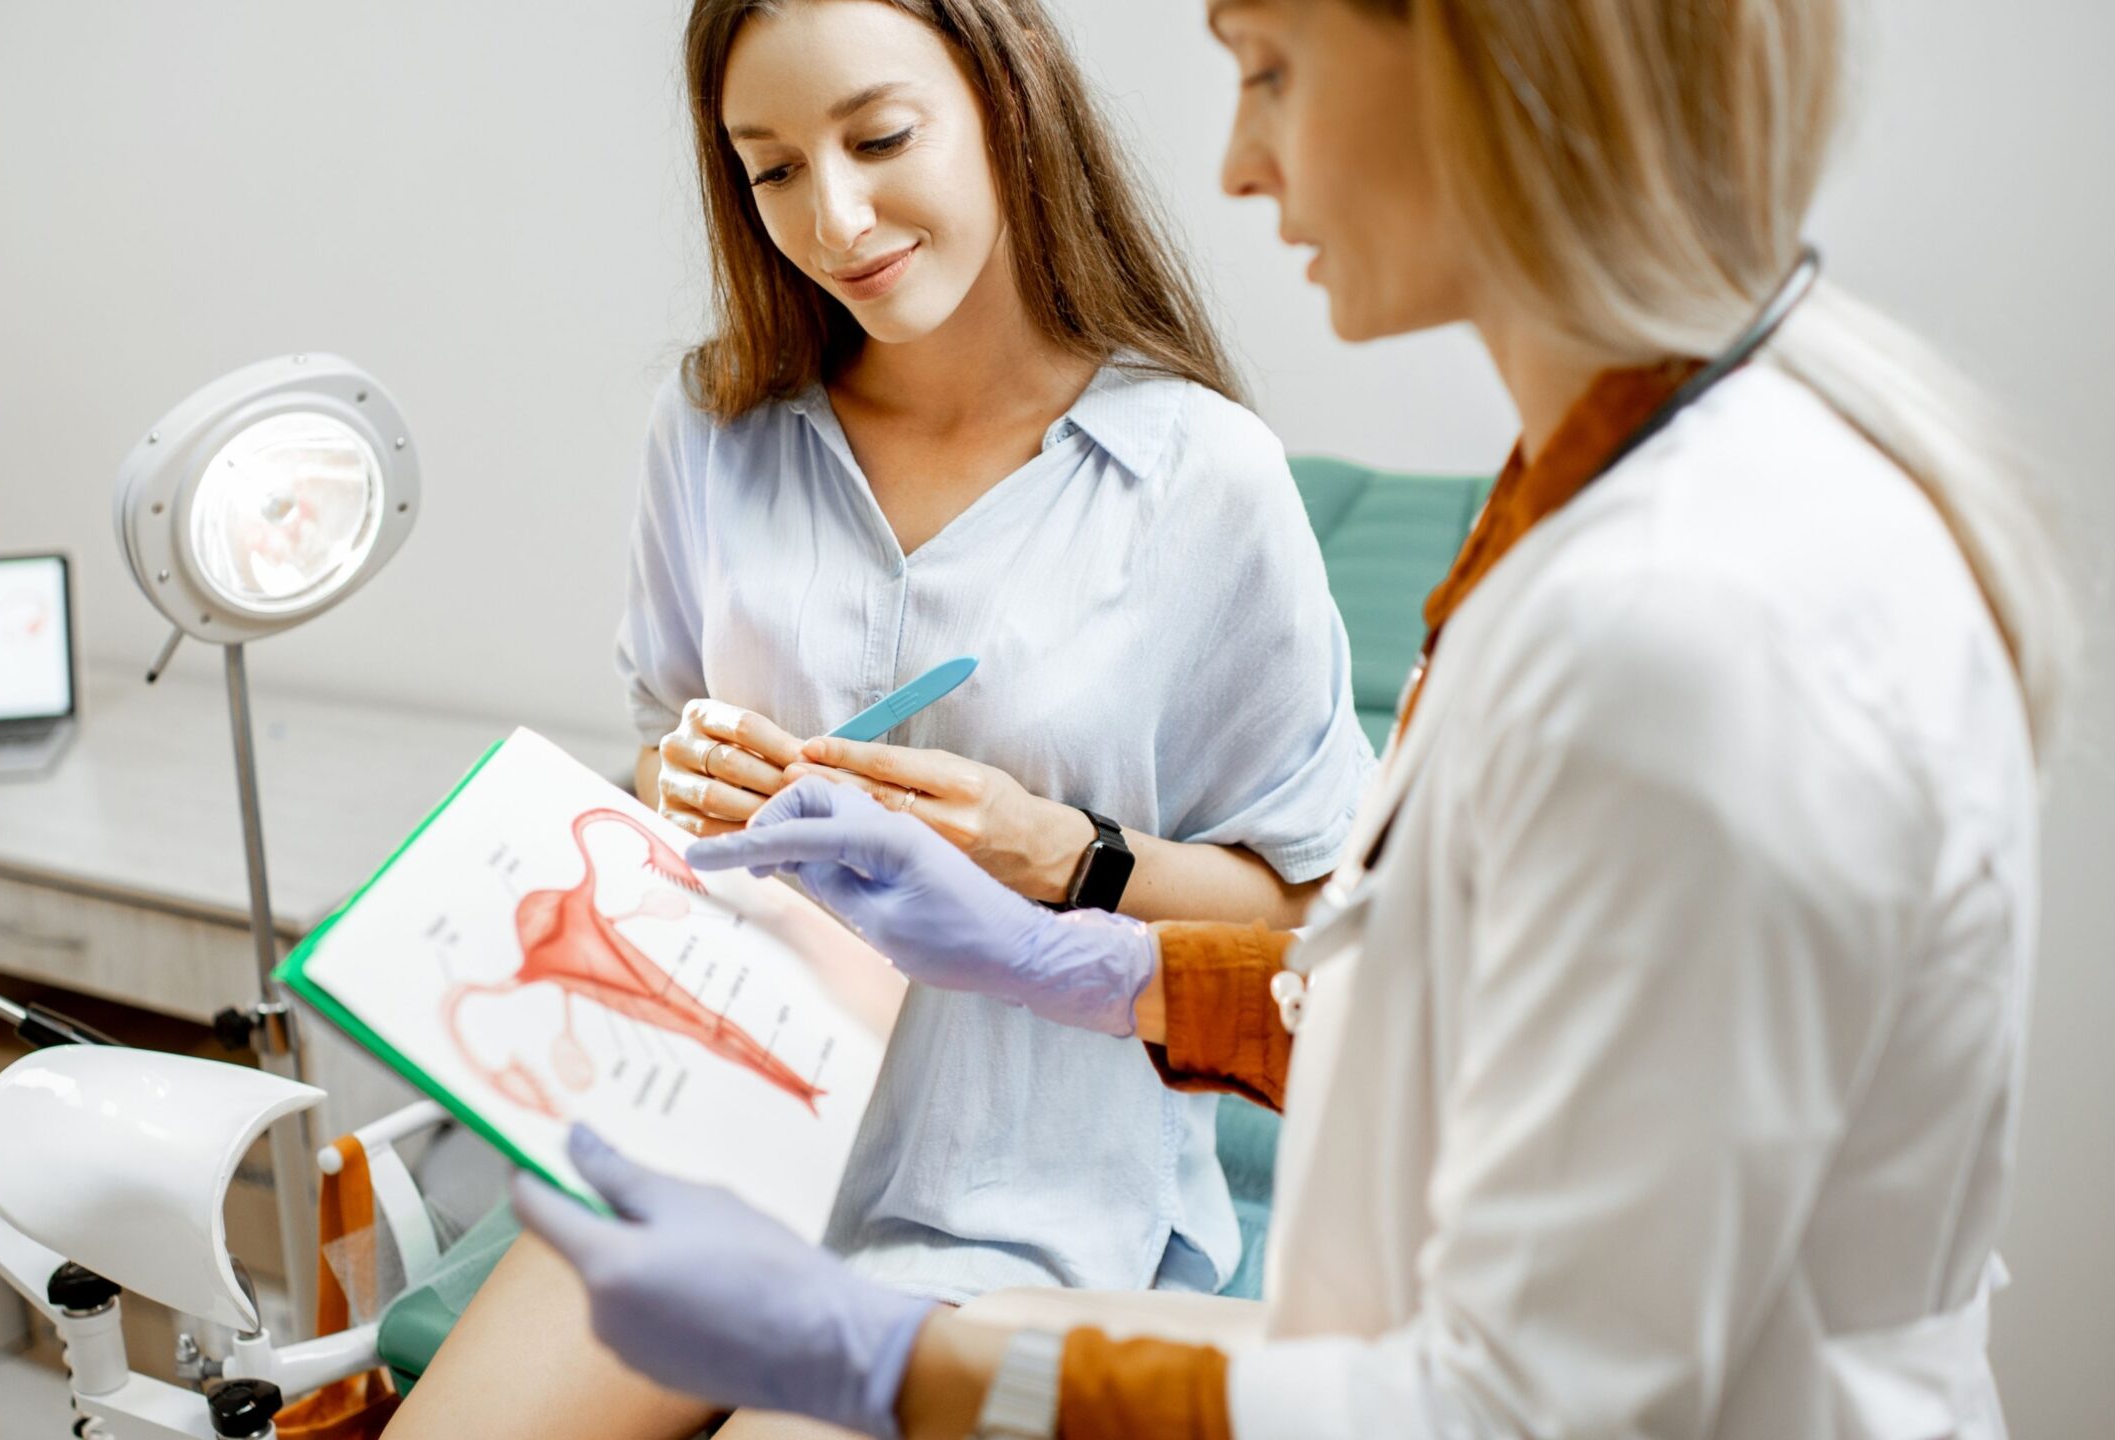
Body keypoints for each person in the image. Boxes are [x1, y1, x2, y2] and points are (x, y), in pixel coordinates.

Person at [510, 0, 2078, 1435]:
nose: (1240, 164)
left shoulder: (1691, 634)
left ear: (1495, 67)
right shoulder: (1590, 501)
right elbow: (1432, 1016)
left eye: (1270, 68)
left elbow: (1515, 1412)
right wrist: (1070, 955)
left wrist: (873, 1354)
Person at [388, 2, 1375, 1435]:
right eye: (771, 168)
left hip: (1009, 1211)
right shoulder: (712, 425)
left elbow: (1307, 905)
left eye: (881, 137)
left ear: (1008, 100)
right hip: (712, 1140)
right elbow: (660, 743)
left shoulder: (1203, 480)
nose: (834, 217)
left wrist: (1061, 854)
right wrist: (688, 772)